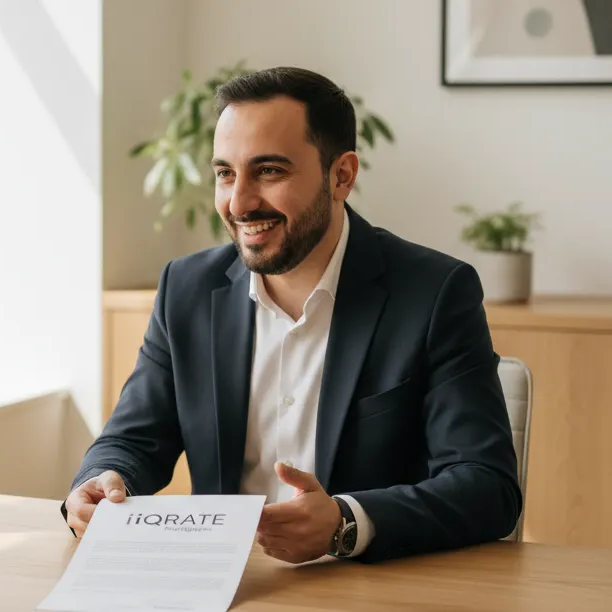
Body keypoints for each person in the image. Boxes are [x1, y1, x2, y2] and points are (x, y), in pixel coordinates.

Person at [63, 67, 522, 564]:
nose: (239, 202)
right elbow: (133, 438)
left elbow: (487, 486)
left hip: (369, 588)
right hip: (221, 584)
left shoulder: (433, 293)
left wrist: (346, 522)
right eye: (225, 173)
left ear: (341, 175)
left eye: (270, 171)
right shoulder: (187, 289)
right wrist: (100, 482)